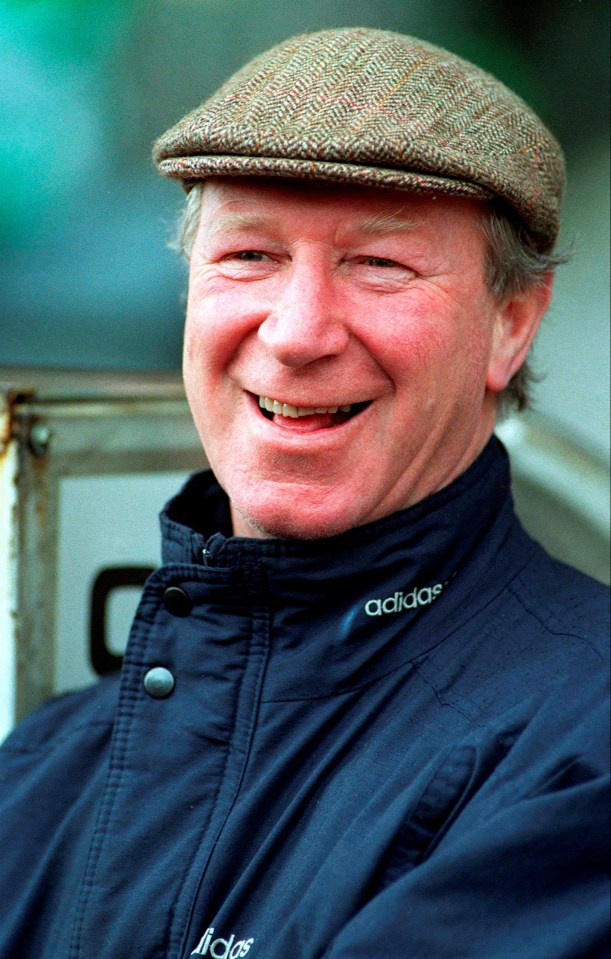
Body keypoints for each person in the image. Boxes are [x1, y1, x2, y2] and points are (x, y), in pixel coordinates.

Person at [0, 27, 608, 959]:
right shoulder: (39, 775)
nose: (296, 333)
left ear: (510, 325)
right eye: (248, 255)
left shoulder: (581, 745)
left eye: (379, 264)